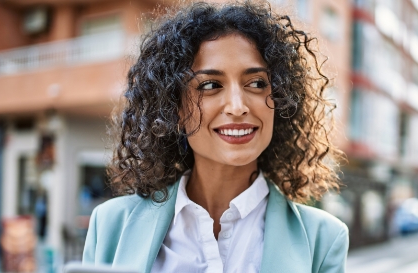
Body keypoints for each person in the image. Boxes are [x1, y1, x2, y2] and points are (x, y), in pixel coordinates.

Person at [83, 1, 349, 272]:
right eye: (211, 85)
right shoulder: (110, 226)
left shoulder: (324, 239)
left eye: (257, 83)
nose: (237, 106)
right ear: (174, 108)